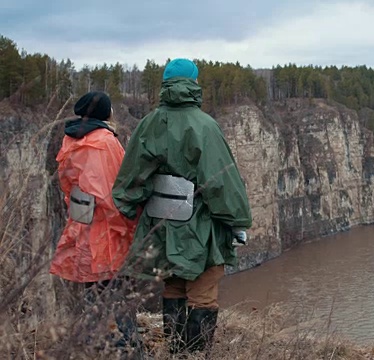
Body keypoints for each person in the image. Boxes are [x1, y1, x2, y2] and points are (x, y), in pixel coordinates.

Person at [111, 58, 252, 354]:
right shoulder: (204, 125)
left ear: (165, 84)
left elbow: (131, 177)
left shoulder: (148, 123)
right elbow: (220, 181)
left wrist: (129, 206)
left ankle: (175, 352)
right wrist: (237, 222)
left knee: (173, 287)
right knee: (202, 294)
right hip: (199, 225)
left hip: (160, 226)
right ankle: (196, 354)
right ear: (193, 84)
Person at [50, 91, 139, 350]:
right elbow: (117, 190)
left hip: (83, 224)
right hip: (108, 230)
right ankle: (129, 350)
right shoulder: (105, 142)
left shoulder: (70, 139)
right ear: (106, 112)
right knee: (120, 296)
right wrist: (129, 225)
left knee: (93, 295)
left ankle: (89, 348)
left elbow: (67, 186)